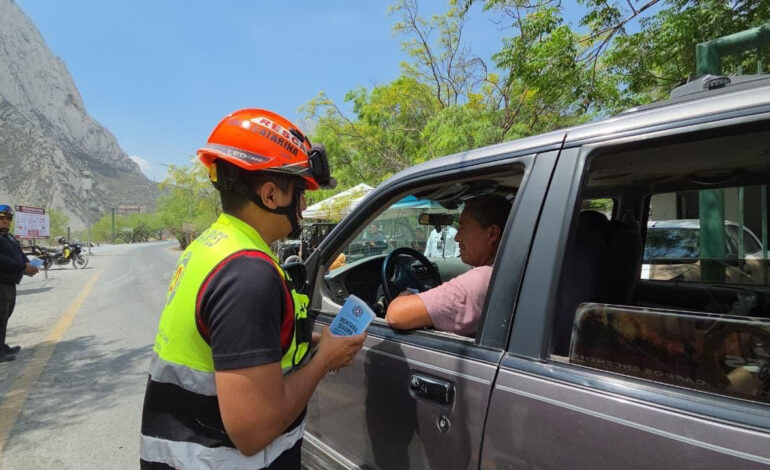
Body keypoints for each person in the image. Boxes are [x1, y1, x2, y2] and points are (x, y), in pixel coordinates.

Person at [140, 109, 366, 469]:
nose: (304, 205)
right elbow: (254, 430)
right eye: (301, 191)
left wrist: (303, 345)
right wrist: (324, 361)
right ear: (271, 194)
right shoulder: (248, 274)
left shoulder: (211, 246)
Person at [386, 195, 511, 337]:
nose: (457, 237)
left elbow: (397, 315)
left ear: (492, 234)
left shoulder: (482, 280)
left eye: (463, 228)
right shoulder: (505, 271)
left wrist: (406, 295)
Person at [0, 205, 39, 362]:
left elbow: (19, 254)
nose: (5, 221)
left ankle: (1, 346)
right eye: (1, 218)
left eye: (8, 218)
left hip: (10, 283)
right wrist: (23, 267)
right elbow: (2, 260)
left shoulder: (9, 237)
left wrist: (30, 265)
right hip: (1, 283)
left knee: (5, 316)